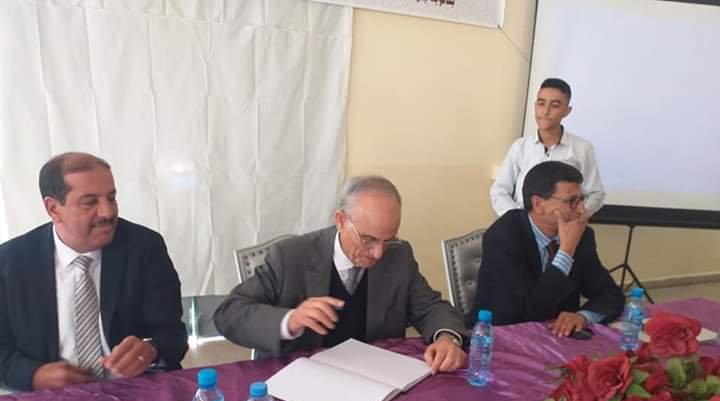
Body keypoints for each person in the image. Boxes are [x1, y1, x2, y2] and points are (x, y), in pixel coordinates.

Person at [214, 176, 467, 374]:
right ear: (341, 221)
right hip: (303, 379)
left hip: (373, 378)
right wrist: (289, 320)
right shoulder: (290, 256)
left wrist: (447, 338)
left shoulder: (398, 255)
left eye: (388, 240)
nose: (378, 253)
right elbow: (229, 314)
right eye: (368, 239)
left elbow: (430, 307)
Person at [0, 152, 188, 392]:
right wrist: (33, 375)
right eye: (90, 202)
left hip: (134, 391)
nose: (107, 212)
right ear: (53, 208)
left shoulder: (144, 248)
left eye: (111, 198)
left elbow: (173, 334)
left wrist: (151, 350)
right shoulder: (11, 262)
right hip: (48, 398)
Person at [470, 161, 623, 335]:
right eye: (572, 201)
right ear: (538, 204)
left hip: (556, 336)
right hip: (498, 335)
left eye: (582, 199)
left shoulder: (582, 236)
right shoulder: (504, 235)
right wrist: (566, 252)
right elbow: (529, 311)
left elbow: (611, 295)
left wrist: (583, 316)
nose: (582, 209)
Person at [490, 78, 606, 217]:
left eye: (555, 105)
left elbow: (596, 194)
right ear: (535, 106)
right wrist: (518, 219)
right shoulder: (520, 147)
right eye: (541, 103)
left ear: (567, 111)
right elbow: (499, 191)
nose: (545, 111)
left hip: (562, 225)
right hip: (521, 223)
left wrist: (575, 215)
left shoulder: (582, 149)